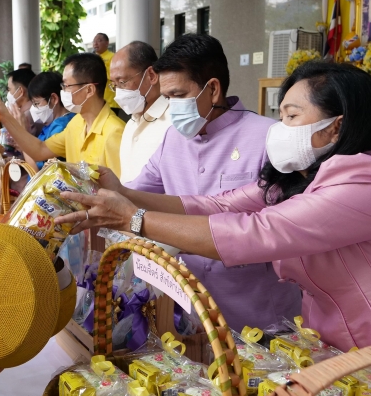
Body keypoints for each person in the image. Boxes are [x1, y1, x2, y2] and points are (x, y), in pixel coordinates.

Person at [56, 62, 371, 396]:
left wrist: (134, 220)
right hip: (348, 369)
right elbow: (219, 206)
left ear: (337, 126)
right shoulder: (303, 180)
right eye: (280, 115)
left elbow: (260, 231)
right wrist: (125, 194)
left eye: (293, 116)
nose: (280, 128)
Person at [123, 34, 301, 330]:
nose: (172, 108)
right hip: (191, 311)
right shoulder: (172, 140)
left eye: (179, 96)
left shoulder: (269, 138)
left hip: (259, 315)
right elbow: (135, 192)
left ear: (213, 89)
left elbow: (281, 230)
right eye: (167, 98)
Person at [0, 53, 125, 176]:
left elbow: (120, 193)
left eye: (66, 86)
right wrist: (5, 117)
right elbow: (40, 150)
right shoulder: (76, 124)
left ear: (89, 90)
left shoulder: (115, 132)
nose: (63, 91)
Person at [110, 41, 172, 183]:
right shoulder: (131, 123)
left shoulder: (173, 122)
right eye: (114, 85)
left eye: (122, 82)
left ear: (151, 75)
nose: (118, 92)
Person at [23, 71, 75, 170]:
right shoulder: (51, 124)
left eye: (37, 103)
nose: (33, 109)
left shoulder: (62, 127)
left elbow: (38, 173)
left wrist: (22, 135)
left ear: (54, 99)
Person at [92, 33, 121, 116]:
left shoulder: (113, 57)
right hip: (96, 99)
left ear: (107, 43)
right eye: (94, 41)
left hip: (110, 100)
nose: (95, 43)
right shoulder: (93, 58)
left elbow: (114, 75)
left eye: (99, 40)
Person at [6, 67, 39, 136]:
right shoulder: (25, 111)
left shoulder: (26, 115)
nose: (8, 93)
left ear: (20, 91)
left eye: (9, 89)